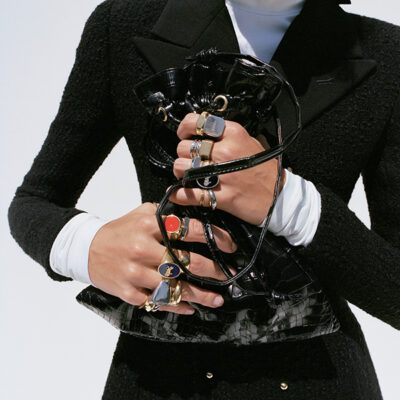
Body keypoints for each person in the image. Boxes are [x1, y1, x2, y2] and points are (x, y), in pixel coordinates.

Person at [7, 0, 400, 398]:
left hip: (322, 380)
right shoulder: (120, 25)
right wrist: (86, 246)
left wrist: (290, 203)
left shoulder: (388, 53)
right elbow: (35, 200)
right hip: (157, 379)